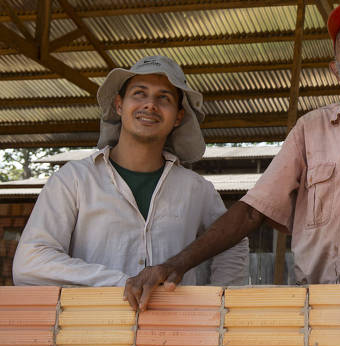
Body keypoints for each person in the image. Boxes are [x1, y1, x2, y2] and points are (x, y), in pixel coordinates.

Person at [123, 0, 340, 311]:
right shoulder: (310, 128)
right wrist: (175, 265)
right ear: (335, 67)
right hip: (316, 309)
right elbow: (251, 212)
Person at [13, 55, 249, 287]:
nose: (150, 105)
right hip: (91, 324)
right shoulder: (74, 179)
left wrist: (218, 301)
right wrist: (122, 283)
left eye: (164, 98)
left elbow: (233, 241)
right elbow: (30, 262)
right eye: (139, 93)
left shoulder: (197, 190)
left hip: (174, 325)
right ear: (119, 105)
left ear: (178, 117)